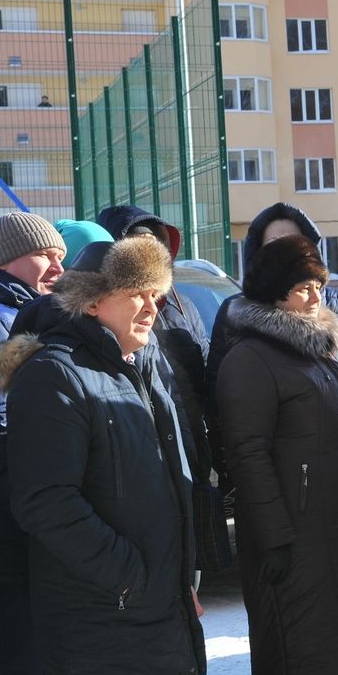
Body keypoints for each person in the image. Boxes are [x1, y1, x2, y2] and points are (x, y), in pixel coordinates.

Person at [0, 237, 206, 675]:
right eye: (136, 293)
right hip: (102, 614)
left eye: (156, 293)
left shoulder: (145, 366)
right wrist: (130, 576)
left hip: (155, 604)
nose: (151, 307)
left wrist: (181, 576)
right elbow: (45, 501)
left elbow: (171, 481)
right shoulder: (53, 374)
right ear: (91, 302)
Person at [216, 235, 338, 675]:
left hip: (334, 532)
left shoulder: (318, 350)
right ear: (275, 292)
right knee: (293, 663)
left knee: (328, 664)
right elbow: (247, 454)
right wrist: (275, 538)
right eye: (303, 288)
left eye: (320, 285)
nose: (316, 297)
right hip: (292, 540)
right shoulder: (251, 358)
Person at [207, 202, 338, 494]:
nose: (287, 251)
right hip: (280, 472)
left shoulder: (337, 305)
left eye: (296, 242)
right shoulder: (235, 312)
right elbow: (219, 394)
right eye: (275, 244)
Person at [97, 205, 228, 572]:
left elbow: (204, 372)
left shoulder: (182, 304)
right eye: (138, 247)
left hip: (192, 449)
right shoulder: (113, 312)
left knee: (195, 562)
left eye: (157, 246)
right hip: (146, 454)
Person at [0, 212, 65, 675]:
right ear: (6, 260)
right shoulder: (1, 319)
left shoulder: (28, 311)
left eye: (62, 255)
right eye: (45, 254)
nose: (58, 266)